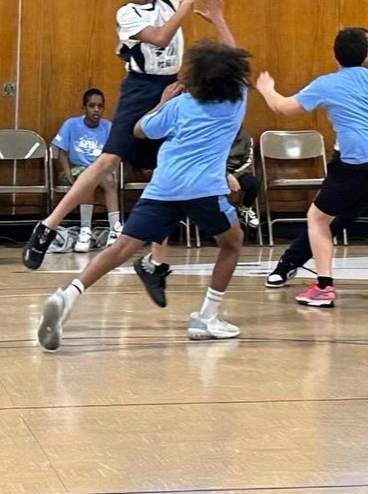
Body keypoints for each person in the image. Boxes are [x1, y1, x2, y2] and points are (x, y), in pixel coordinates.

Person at [23, 0, 237, 271]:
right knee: (107, 160)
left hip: (175, 83)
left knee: (175, 168)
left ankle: (155, 264)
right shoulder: (127, 15)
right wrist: (188, 4)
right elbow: (160, 37)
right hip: (142, 88)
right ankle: (48, 226)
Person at [38, 26, 250, 351]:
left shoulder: (180, 105)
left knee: (121, 248)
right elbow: (235, 61)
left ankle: (67, 295)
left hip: (163, 186)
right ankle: (206, 317)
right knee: (232, 243)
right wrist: (219, 18)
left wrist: (162, 104)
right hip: (203, 190)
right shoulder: (235, 103)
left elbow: (139, 130)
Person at [255, 26, 368, 308]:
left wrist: (267, 90)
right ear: (367, 52)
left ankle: (324, 286)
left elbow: (284, 108)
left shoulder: (327, 83)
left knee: (318, 219)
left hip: (354, 164)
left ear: (335, 55)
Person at [51, 88, 119, 252]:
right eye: (92, 106)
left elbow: (114, 154)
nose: (96, 110)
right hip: (75, 169)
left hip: (100, 169)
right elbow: (62, 152)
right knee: (86, 178)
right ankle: (85, 230)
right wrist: (67, 173)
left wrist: (113, 171)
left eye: (100, 106)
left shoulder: (108, 126)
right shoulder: (71, 124)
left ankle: (115, 229)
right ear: (84, 108)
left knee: (107, 180)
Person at [225, 128, 260, 230]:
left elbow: (248, 162)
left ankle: (245, 208)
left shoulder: (246, 137)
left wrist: (234, 176)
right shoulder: (214, 136)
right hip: (216, 172)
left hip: (238, 171)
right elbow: (210, 161)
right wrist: (227, 176)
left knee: (253, 184)